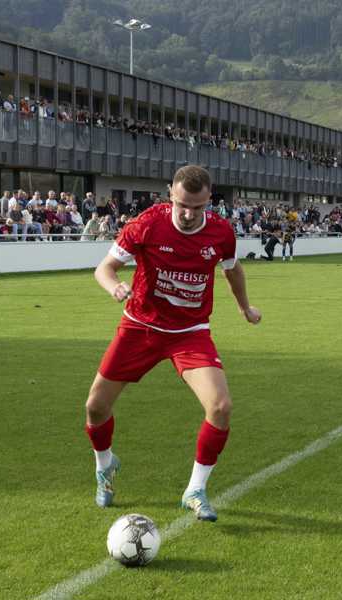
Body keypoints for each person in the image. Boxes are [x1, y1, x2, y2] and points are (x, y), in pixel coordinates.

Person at [84, 165, 261, 522]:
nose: (188, 213)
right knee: (95, 408)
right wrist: (114, 286)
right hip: (140, 327)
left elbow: (232, 269)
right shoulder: (148, 223)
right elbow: (104, 267)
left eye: (197, 207)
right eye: (182, 204)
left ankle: (195, 489)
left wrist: (245, 308)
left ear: (209, 200)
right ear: (171, 195)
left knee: (221, 406)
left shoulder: (222, 232)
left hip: (190, 332)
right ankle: (105, 467)